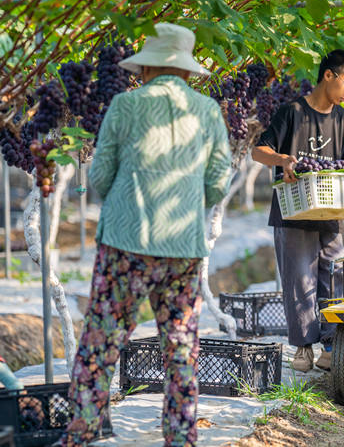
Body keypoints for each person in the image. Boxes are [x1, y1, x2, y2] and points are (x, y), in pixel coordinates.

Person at [60, 23, 232, 447]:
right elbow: (217, 184)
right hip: (183, 248)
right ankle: (181, 440)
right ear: (187, 72)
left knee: (100, 347)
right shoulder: (208, 112)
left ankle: (79, 437)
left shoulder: (124, 104)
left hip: (125, 245)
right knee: (180, 352)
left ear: (149, 68)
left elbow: (99, 176)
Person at [252, 50, 344, 372]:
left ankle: (330, 344)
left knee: (333, 276)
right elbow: (259, 151)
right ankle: (302, 347)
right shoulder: (292, 112)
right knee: (299, 279)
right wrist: (283, 160)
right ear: (328, 75)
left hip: (330, 213)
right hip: (293, 213)